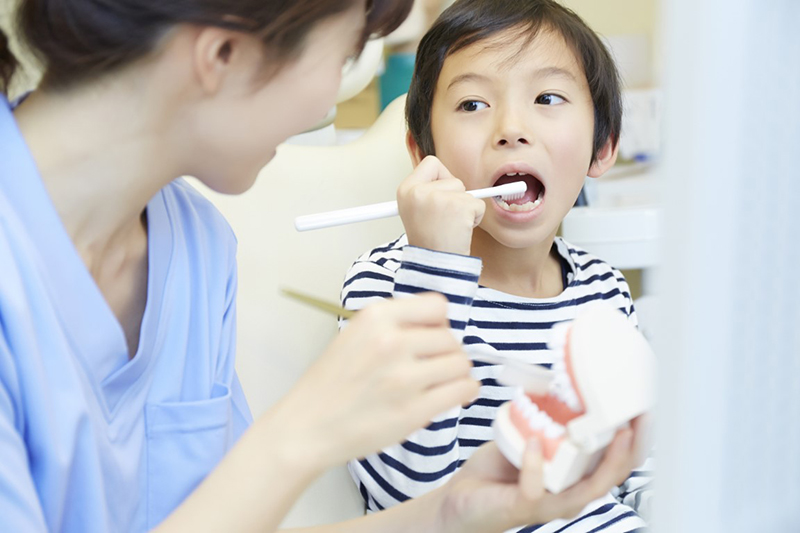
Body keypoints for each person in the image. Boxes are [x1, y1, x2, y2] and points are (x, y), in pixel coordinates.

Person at [0, 0, 644, 531]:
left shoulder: (196, 249)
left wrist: (454, 513)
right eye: (340, 56)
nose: (325, 106)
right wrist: (303, 430)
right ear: (222, 53)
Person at [341, 0, 654, 531]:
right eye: (472, 104)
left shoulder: (603, 288)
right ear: (422, 154)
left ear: (602, 146)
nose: (511, 128)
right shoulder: (387, 287)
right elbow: (407, 498)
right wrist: (435, 270)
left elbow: (632, 463)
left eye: (547, 98)